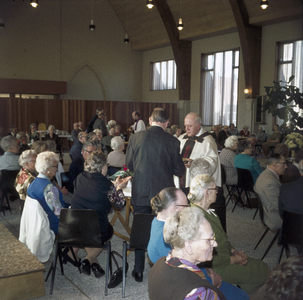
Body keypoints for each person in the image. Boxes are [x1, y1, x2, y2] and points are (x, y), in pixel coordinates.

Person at [147, 187, 249, 300]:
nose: (189, 207)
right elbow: (185, 273)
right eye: (186, 206)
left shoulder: (158, 222)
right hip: (194, 280)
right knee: (241, 295)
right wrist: (210, 280)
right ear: (173, 210)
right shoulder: (165, 239)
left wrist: (208, 270)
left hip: (193, 275)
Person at [126, 107, 185, 282]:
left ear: (150, 120)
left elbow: (128, 164)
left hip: (141, 191)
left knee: (140, 227)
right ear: (167, 123)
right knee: (165, 230)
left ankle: (138, 270)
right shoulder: (172, 141)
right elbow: (179, 170)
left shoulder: (136, 138)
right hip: (163, 195)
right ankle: (165, 266)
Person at [188, 174, 269, 294]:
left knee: (262, 267)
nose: (217, 191)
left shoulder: (207, 212)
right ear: (206, 193)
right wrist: (232, 259)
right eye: (215, 189)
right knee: (263, 274)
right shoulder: (197, 219)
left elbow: (222, 239)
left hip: (224, 257)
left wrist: (233, 251)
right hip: (215, 266)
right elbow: (204, 257)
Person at [70, 151, 130, 276]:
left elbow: (93, 189)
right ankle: (88, 260)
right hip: (96, 230)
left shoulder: (80, 177)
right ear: (103, 167)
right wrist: (118, 188)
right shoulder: (106, 185)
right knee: (107, 231)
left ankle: (94, 263)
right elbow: (119, 205)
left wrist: (114, 186)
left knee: (89, 228)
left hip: (75, 227)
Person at [149, 207, 227, 300]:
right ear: (189, 247)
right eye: (209, 239)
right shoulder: (198, 293)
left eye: (213, 236)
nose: (215, 243)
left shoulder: (159, 264)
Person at [176, 112, 221, 193]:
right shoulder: (181, 138)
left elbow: (213, 162)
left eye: (190, 126)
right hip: (179, 181)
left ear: (198, 126)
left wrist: (196, 164)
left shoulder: (208, 141)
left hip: (197, 184)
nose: (186, 129)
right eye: (185, 126)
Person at [27, 151, 69, 234]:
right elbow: (59, 214)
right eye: (55, 166)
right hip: (52, 225)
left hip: (38, 223)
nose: (57, 168)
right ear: (48, 169)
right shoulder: (49, 188)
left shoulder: (33, 183)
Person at [254, 154, 287, 231]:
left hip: (269, 211)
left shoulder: (266, 174)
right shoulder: (270, 182)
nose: (286, 166)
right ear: (275, 164)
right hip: (274, 217)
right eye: (284, 163)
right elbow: (279, 206)